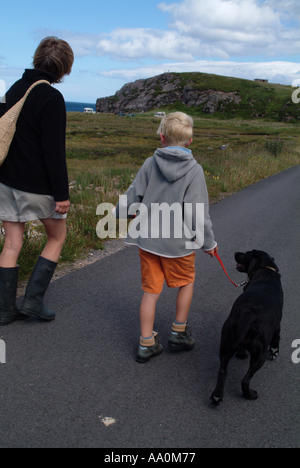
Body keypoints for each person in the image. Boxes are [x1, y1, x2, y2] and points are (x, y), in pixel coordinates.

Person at [114, 111, 218, 363]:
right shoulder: (195, 170)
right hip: (179, 245)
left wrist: (121, 213)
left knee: (151, 290)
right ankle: (178, 332)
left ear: (161, 137)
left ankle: (146, 343)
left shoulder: (150, 163)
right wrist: (208, 243)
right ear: (190, 141)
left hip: (148, 240)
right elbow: (197, 213)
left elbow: (132, 196)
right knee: (186, 282)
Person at [0, 37, 74, 325]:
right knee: (57, 236)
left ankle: (5, 310)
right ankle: (32, 302)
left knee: (11, 243)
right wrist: (61, 194)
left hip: (5, 182)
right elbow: (53, 151)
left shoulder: (14, 89)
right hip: (36, 186)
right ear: (63, 68)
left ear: (36, 58)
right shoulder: (52, 98)